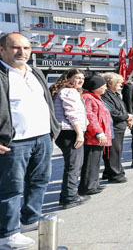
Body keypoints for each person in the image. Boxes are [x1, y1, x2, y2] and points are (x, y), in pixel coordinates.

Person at [0, 33, 61, 249]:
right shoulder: (2, 73)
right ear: (2, 50)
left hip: (42, 137)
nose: (22, 52)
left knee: (40, 181)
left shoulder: (35, 72)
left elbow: (47, 101)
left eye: (26, 48)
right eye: (15, 48)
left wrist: (53, 128)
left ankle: (30, 219)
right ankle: (7, 234)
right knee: (12, 188)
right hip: (14, 142)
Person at [50, 69, 90, 209]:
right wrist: (79, 133)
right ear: (68, 78)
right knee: (74, 165)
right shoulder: (69, 91)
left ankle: (67, 195)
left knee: (72, 165)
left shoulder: (64, 90)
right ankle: (70, 197)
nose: (80, 81)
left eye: (82, 78)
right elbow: (72, 113)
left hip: (66, 132)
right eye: (77, 77)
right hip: (70, 131)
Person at [79, 76, 112, 196]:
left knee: (96, 161)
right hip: (93, 137)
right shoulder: (88, 98)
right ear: (95, 87)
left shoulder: (95, 97)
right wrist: (98, 132)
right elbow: (90, 117)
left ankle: (94, 183)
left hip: (98, 137)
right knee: (90, 162)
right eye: (102, 85)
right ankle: (87, 186)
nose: (105, 87)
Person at [101, 72, 132, 184]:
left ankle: (109, 171)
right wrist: (126, 116)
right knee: (113, 151)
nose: (120, 84)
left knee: (117, 150)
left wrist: (127, 117)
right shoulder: (105, 95)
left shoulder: (114, 94)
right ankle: (114, 173)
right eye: (117, 83)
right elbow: (112, 111)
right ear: (109, 84)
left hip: (119, 126)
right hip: (113, 127)